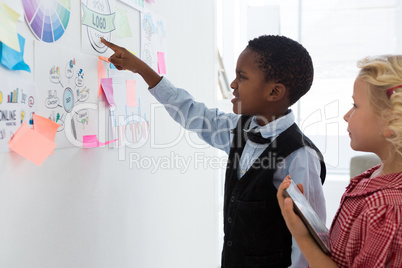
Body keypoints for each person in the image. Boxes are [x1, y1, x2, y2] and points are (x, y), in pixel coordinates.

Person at [101, 35, 326, 268]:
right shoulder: (239, 128)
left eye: (242, 77)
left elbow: (308, 246)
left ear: (274, 92)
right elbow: (191, 112)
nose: (233, 84)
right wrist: (141, 69)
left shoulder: (300, 156)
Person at [277, 55, 402, 268]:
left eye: (355, 105)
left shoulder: (385, 209)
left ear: (392, 121)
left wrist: (301, 235)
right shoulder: (374, 177)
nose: (346, 116)